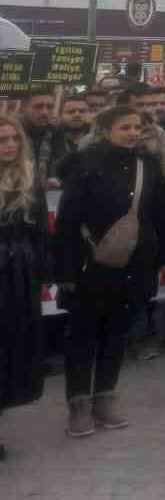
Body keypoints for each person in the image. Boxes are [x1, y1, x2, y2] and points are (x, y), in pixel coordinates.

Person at [54, 105, 165, 436]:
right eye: (124, 128)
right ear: (106, 131)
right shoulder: (84, 165)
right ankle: (78, 405)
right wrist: (63, 270)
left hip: (135, 266)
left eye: (137, 127)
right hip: (88, 267)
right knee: (83, 337)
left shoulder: (147, 165)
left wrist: (163, 256)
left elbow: (162, 213)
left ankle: (104, 398)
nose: (133, 133)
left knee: (117, 334)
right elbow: (66, 221)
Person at [0, 114, 47, 458]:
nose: (10, 146)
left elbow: (40, 232)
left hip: (18, 277)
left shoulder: (29, 179)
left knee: (9, 352)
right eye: (2, 140)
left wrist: (41, 273)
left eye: (14, 139)